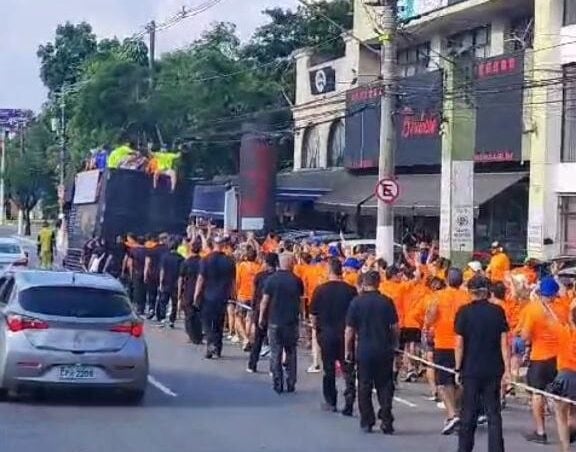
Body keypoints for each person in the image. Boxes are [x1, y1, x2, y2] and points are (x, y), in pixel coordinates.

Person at [455, 275, 510, 452]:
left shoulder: (464, 312)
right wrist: (507, 369)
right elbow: (504, 343)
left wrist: (457, 367)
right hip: (493, 368)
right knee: (493, 413)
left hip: (471, 368)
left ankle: (464, 448)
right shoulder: (498, 311)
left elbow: (459, 344)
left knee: (468, 412)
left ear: (471, 292)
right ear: (487, 291)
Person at [345, 270, 398, 434]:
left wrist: (348, 349)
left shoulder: (356, 303)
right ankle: (386, 417)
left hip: (364, 349)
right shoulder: (387, 302)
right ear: (378, 283)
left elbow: (349, 330)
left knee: (364, 385)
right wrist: (395, 343)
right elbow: (395, 327)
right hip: (384, 348)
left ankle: (367, 420)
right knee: (385, 384)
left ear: (363, 283)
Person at [521, 276, 568, 444]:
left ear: (540, 292)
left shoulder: (533, 309)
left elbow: (525, 336)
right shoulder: (563, 308)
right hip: (561, 358)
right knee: (562, 396)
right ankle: (567, 431)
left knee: (537, 394)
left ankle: (541, 432)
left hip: (540, 357)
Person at [310, 258, 358, 414]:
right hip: (345, 334)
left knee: (329, 369)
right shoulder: (351, 290)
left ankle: (331, 401)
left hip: (326, 334)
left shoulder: (320, 290)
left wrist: (316, 329)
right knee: (348, 369)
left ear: (329, 270)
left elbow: (313, 315)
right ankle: (349, 397)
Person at [426, 268, 470, 435]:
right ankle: (455, 411)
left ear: (446, 280)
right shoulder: (467, 297)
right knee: (461, 379)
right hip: (464, 343)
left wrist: (428, 323)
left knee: (444, 382)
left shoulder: (438, 297)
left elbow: (430, 317)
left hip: (443, 343)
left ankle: (452, 414)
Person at [259, 252, 304, 394]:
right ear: (290, 263)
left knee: (276, 352)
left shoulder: (271, 280)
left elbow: (265, 301)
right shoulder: (297, 280)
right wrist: (302, 316)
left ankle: (277, 383)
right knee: (291, 352)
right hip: (291, 321)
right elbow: (300, 301)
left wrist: (261, 317)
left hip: (275, 321)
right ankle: (291, 382)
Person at [194, 235, 236, 359]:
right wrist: (233, 295)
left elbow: (201, 279)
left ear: (213, 244)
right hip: (223, 296)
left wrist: (196, 294)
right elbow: (233, 281)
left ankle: (210, 343)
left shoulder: (206, 260)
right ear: (223, 245)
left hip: (208, 295)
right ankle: (218, 348)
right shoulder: (229, 261)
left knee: (207, 322)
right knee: (219, 323)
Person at [550, 301, 576, 452]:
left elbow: (552, 318)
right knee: (574, 412)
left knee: (561, 414)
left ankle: (565, 448)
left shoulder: (563, 331)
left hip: (565, 376)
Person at [247, 252, 278, 373]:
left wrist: (253, 308)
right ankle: (273, 368)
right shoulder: (277, 277)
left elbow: (254, 294)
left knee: (257, 339)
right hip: (274, 311)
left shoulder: (259, 276)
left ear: (266, 263)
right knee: (273, 343)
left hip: (260, 309)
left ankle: (252, 364)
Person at [235, 246, 261, 351]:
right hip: (254, 296)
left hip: (242, 295)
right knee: (250, 319)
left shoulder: (242, 266)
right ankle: (249, 339)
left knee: (238, 317)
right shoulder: (259, 267)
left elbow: (237, 281)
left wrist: (236, 292)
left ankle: (245, 339)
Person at [179, 241, 202, 343]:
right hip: (201, 291)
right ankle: (198, 335)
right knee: (198, 314)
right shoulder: (203, 262)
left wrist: (179, 293)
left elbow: (181, 279)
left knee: (188, 315)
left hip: (188, 290)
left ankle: (191, 335)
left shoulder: (186, 262)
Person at [158, 242, 185, 328]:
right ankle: (171, 320)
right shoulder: (181, 258)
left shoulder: (164, 257)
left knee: (163, 301)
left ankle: (162, 318)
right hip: (175, 283)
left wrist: (160, 282)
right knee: (174, 303)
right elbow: (181, 275)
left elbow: (162, 271)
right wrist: (180, 287)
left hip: (166, 282)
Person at [128, 236, 148, 315]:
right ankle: (142, 307)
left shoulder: (133, 250)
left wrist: (130, 273)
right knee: (143, 290)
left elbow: (130, 263)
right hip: (145, 272)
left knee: (136, 289)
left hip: (136, 272)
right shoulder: (147, 251)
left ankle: (137, 307)